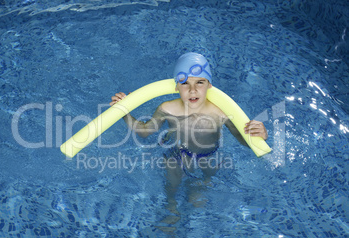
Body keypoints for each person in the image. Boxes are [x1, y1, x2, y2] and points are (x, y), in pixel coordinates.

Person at [110, 52, 268, 221]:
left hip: (208, 156)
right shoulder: (167, 109)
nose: (193, 90)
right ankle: (171, 205)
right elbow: (144, 131)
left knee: (198, 197)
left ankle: (197, 190)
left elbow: (242, 140)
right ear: (176, 86)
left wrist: (259, 135)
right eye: (185, 83)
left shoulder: (221, 113)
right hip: (176, 154)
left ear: (209, 85)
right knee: (172, 185)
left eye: (200, 82)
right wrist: (124, 111)